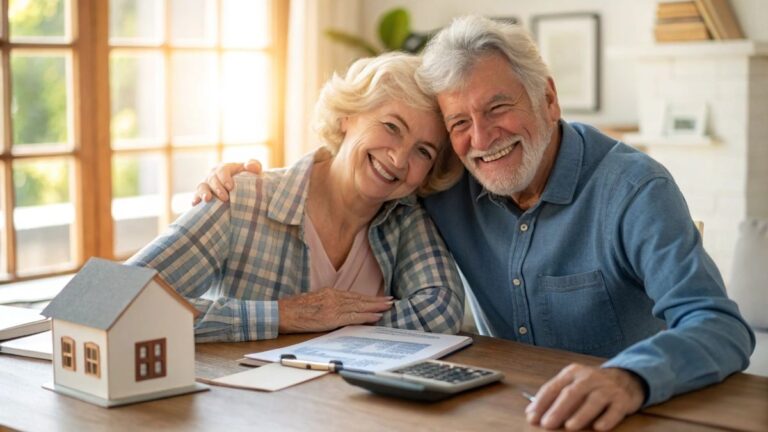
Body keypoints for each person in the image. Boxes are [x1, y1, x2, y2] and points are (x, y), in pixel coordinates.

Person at [193, 16, 754, 431]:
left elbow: (721, 328)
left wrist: (630, 376)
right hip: (498, 413)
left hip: (625, 415)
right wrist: (245, 180)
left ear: (549, 99)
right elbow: (359, 165)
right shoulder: (446, 180)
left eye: (497, 108)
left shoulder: (634, 190)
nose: (482, 140)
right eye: (460, 121)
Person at [127, 52, 466, 344]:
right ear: (348, 115)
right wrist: (284, 316)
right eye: (392, 127)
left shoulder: (405, 216)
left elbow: (441, 311)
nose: (399, 159)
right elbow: (112, 300)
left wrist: (334, 323)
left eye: (423, 151)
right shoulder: (242, 199)